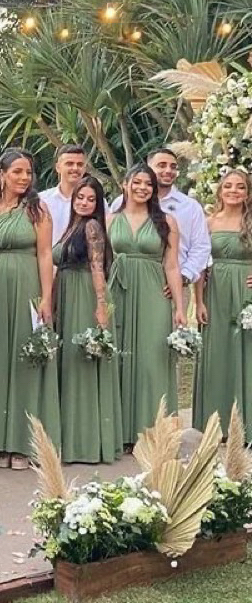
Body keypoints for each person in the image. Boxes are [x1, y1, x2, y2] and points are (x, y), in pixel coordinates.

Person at [0, 148, 60, 470]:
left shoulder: (38, 210)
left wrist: (46, 296)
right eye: (17, 172)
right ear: (2, 174)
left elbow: (44, 255)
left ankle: (24, 444)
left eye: (28, 172)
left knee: (24, 360)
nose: (24, 178)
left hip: (27, 284)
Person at [108, 163, 186, 447]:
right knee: (119, 357)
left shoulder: (167, 222)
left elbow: (172, 265)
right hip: (117, 290)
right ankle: (121, 433)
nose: (142, 188)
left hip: (154, 292)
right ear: (125, 184)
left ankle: (154, 433)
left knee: (152, 360)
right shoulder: (108, 220)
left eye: (148, 184)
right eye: (137, 182)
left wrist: (179, 308)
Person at [54, 176, 122, 464]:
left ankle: (87, 441)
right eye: (80, 197)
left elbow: (97, 267)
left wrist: (101, 305)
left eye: (90, 199)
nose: (83, 202)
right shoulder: (72, 226)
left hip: (84, 294)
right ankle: (71, 438)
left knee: (83, 363)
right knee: (70, 363)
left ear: (97, 204)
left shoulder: (92, 227)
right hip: (67, 294)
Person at [193, 169, 252, 440]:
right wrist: (199, 301)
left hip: (245, 293)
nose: (233, 191)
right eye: (228, 186)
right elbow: (200, 266)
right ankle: (217, 423)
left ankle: (246, 424)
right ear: (219, 191)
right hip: (214, 293)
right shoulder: (208, 222)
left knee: (246, 354)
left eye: (240, 187)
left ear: (247, 193)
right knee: (217, 353)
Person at [110, 148, 210, 303]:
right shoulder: (120, 204)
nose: (168, 170)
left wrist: (183, 277)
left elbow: (201, 247)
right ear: (148, 168)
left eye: (173, 167)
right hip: (125, 283)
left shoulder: (190, 207)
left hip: (171, 289)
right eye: (161, 165)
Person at [40, 145, 87, 245]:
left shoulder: (95, 201)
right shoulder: (42, 200)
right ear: (58, 167)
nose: (75, 168)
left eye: (80, 164)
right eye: (69, 164)